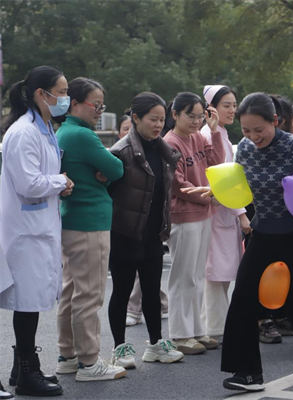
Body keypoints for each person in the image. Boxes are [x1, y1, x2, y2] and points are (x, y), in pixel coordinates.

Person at [183, 92, 293, 391]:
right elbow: (242, 183)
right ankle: (248, 374)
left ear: (276, 121)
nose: (252, 136)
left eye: (258, 129)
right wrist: (218, 191)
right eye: (246, 130)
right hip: (263, 231)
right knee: (244, 299)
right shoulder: (245, 148)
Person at [0, 66, 70, 396]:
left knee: (30, 303)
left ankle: (20, 368)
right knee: (27, 303)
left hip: (39, 228)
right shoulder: (23, 132)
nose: (65, 98)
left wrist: (58, 184)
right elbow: (29, 184)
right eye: (62, 91)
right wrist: (61, 182)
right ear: (42, 94)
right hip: (26, 232)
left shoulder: (44, 127)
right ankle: (28, 372)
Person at [55, 77, 126, 381]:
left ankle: (68, 355)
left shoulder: (63, 132)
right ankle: (89, 362)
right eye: (95, 104)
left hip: (71, 220)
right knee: (90, 295)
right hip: (90, 221)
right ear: (75, 103)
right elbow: (116, 169)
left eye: (101, 105)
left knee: (71, 292)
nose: (99, 110)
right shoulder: (83, 135)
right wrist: (106, 174)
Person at [107, 92, 184, 368]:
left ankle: (155, 344)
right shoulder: (121, 152)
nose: (158, 125)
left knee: (152, 290)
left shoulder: (164, 152)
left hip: (153, 233)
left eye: (162, 120)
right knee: (122, 291)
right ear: (136, 118)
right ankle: (120, 347)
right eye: (153, 119)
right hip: (124, 234)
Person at [161, 91, 225, 354]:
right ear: (175, 114)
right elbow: (178, 184)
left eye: (201, 116)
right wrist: (209, 198)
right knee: (182, 276)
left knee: (197, 275)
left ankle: (197, 330)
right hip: (184, 216)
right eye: (191, 116)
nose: (197, 121)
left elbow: (218, 163)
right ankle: (179, 334)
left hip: (203, 213)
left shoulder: (199, 137)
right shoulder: (170, 142)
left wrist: (215, 131)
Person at [200, 85, 251, 342]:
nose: (232, 110)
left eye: (234, 105)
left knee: (221, 271)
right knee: (215, 273)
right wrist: (242, 213)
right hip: (216, 211)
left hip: (225, 211)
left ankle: (217, 325)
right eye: (226, 105)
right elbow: (224, 179)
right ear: (211, 109)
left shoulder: (220, 133)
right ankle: (215, 328)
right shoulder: (208, 135)